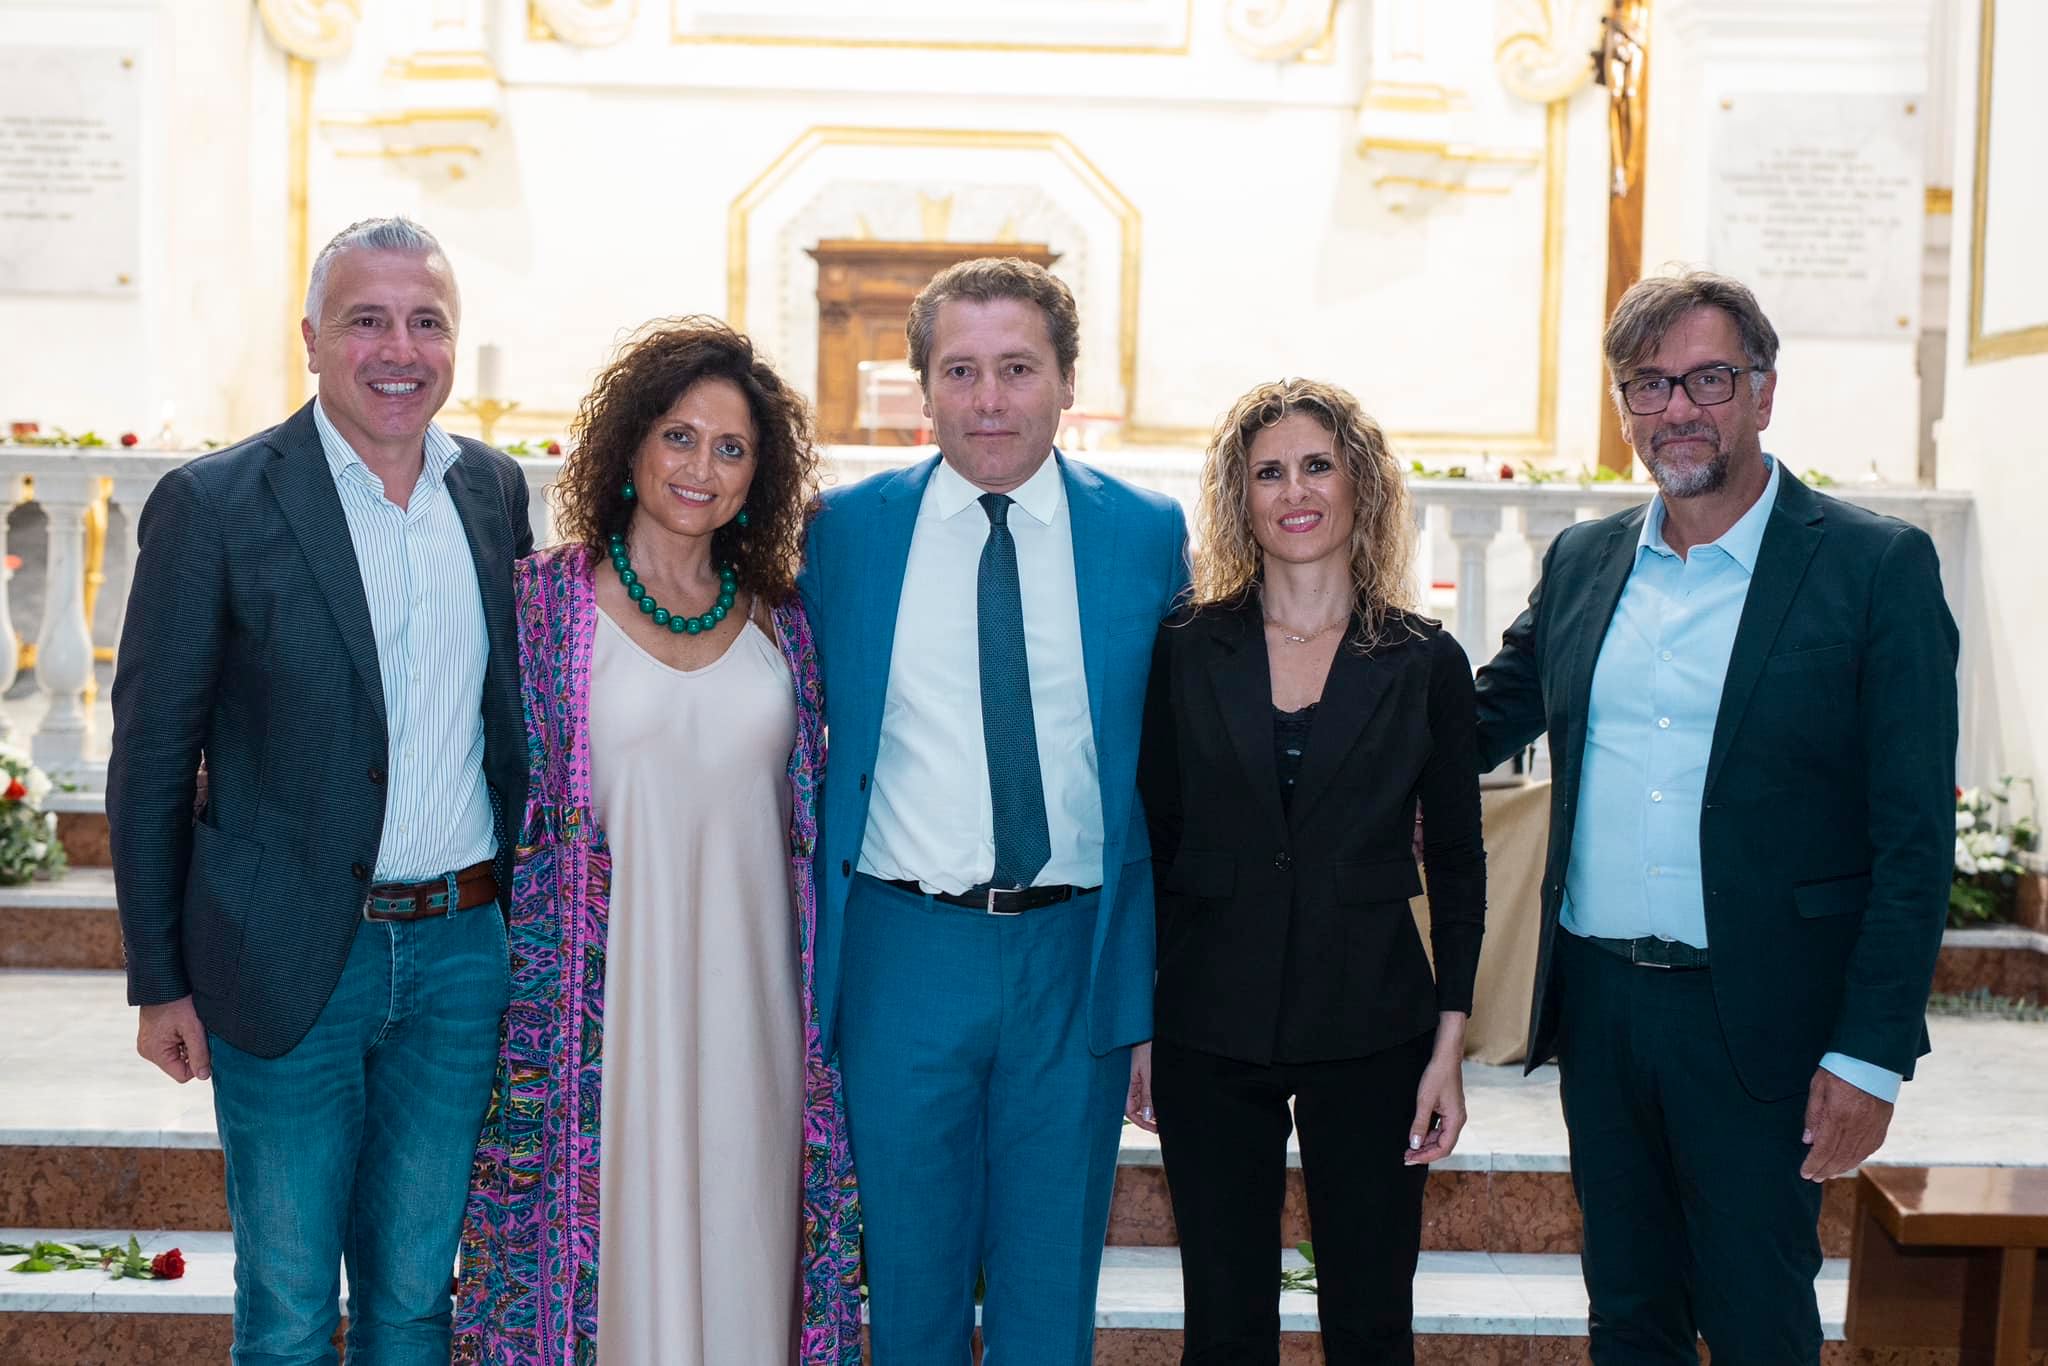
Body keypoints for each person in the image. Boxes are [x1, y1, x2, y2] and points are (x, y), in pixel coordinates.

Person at [1472, 270, 1958, 1364]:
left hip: (1765, 1022)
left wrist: (1870, 1055)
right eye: (1648, 384)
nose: (1677, 408)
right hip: (1602, 1009)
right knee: (1627, 1314)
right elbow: (1481, 718)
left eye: (1707, 378)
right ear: (1624, 408)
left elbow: (1914, 838)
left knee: (1755, 1322)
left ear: (1762, 392)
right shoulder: (1585, 560)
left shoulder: (1872, 566)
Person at [107, 216, 532, 1363]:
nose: (399, 348)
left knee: (415, 1298)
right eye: (366, 320)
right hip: (285, 957)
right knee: (290, 1307)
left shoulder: (491, 493)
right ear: (309, 338)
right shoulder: (216, 504)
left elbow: (512, 725)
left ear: (454, 340)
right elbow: (152, 757)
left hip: (458, 956)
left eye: (426, 321)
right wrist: (160, 979)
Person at [799, 256, 1187, 1364]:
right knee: (910, 1286)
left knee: (1048, 1289)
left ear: (1066, 381)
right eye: (959, 371)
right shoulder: (844, 533)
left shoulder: (1144, 533)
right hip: (902, 950)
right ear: (922, 389)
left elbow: (1173, 770)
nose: (988, 400)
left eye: (1017, 368)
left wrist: (1150, 986)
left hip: (1075, 953)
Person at [452, 318, 861, 1364]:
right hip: (599, 1013)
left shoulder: (782, 623)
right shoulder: (541, 604)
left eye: (731, 449)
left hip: (753, 1010)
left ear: (758, 477)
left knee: (743, 1244)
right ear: (629, 444)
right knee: (615, 1259)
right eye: (679, 436)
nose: (700, 468)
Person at [1136, 378, 1484, 1365]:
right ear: (1239, 497)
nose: (1295, 491)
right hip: (1208, 1025)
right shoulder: (1184, 650)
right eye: (1268, 472)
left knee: (1371, 1322)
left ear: (1359, 483)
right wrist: (1138, 1023)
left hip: (1373, 1025)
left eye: (1317, 465)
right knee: (1223, 1325)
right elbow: (1152, 844)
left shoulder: (1423, 660)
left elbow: (1459, 863)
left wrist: (1448, 1045)